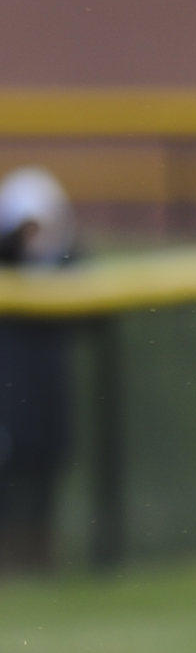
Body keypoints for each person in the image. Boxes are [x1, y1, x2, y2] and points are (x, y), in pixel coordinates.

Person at [0, 167, 78, 573]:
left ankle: (37, 564)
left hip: (45, 412)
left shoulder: (67, 273)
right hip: (9, 411)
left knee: (41, 492)